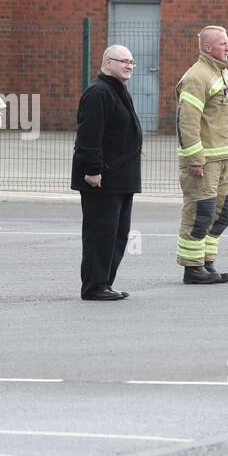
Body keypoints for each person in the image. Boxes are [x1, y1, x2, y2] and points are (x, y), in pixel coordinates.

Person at [72, 46, 143, 301]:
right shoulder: (98, 92)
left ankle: (105, 283)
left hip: (121, 180)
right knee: (100, 234)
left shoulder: (117, 90)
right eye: (123, 61)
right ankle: (94, 286)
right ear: (106, 62)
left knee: (117, 235)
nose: (129, 66)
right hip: (103, 180)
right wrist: (93, 170)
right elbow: (89, 135)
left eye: (132, 61)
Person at [175, 26, 228, 284]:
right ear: (208, 48)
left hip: (223, 159)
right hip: (204, 162)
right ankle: (192, 268)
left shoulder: (222, 74)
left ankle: (207, 263)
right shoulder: (197, 77)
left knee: (221, 213)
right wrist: (194, 158)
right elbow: (187, 122)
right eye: (223, 43)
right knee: (200, 213)